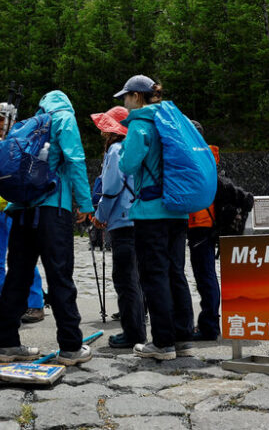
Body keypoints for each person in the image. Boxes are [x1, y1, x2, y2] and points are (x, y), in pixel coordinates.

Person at [0, 90, 94, 366]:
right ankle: (71, 346)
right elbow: (74, 160)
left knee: (17, 276)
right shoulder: (64, 119)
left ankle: (7, 344)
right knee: (60, 276)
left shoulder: (28, 125)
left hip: (23, 210)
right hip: (53, 209)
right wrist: (85, 203)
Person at [115, 76, 194, 361]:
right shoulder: (172, 117)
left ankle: (162, 342)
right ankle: (183, 335)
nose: (124, 102)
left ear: (137, 96)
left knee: (154, 274)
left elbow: (128, 163)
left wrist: (124, 147)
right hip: (178, 208)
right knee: (175, 272)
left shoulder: (140, 123)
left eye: (125, 97)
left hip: (151, 210)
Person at [0, 102, 45, 324]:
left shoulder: (23, 140)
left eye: (2, 118)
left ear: (13, 120)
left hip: (16, 208)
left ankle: (35, 305)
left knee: (24, 259)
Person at [90, 105, 145, 349]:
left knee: (124, 280)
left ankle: (132, 333)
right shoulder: (135, 147)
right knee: (137, 278)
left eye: (105, 128)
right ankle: (138, 329)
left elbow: (111, 188)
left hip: (122, 221)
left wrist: (100, 215)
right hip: (140, 219)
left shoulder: (115, 150)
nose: (102, 133)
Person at [186, 120, 221, 341]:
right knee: (205, 275)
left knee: (205, 275)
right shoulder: (209, 156)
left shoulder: (196, 157)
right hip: (203, 222)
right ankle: (208, 323)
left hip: (199, 222)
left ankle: (209, 326)